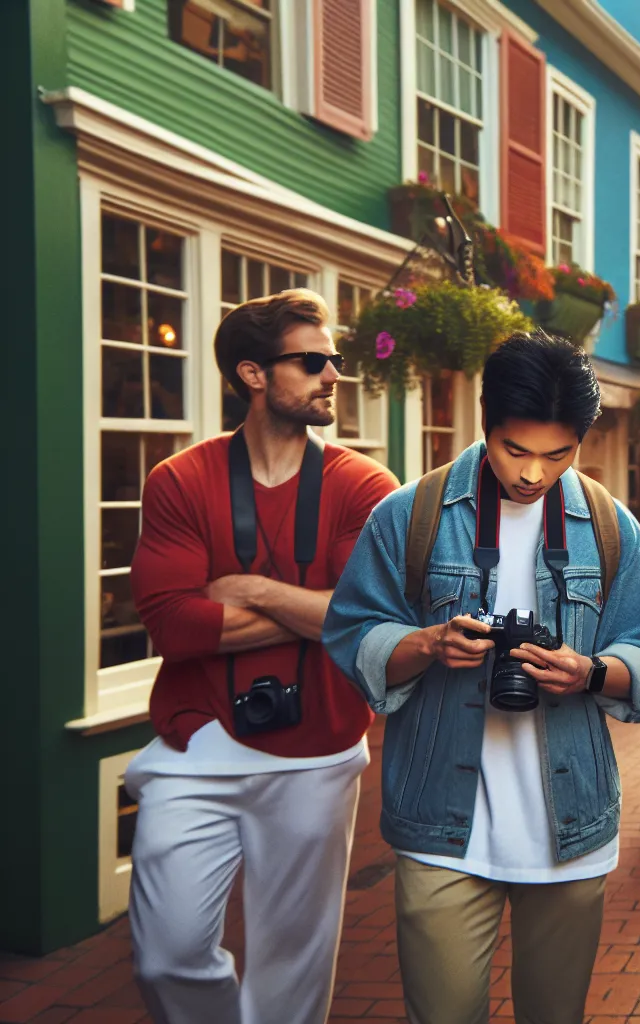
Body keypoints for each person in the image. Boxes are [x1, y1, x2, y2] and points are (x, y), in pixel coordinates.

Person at [322, 332, 640, 1024]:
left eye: (558, 454)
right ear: (485, 423)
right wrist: (426, 644)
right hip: (438, 825)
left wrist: (591, 671)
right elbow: (351, 634)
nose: (535, 474)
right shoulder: (410, 515)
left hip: (570, 825)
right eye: (517, 450)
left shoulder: (608, 525)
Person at [126, 289, 397, 1024]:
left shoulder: (365, 486)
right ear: (252, 374)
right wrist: (318, 610)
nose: (333, 374)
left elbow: (373, 618)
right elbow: (174, 626)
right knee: (166, 952)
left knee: (293, 965)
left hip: (320, 750)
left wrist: (252, 591)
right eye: (312, 361)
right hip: (195, 740)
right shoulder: (179, 480)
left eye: (334, 360)